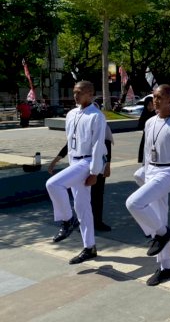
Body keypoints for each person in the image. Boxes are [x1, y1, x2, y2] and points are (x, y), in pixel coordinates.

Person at [126, 85, 170, 286]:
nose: (155, 100)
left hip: (167, 173)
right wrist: (144, 170)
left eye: (160, 97)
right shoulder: (150, 122)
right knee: (160, 217)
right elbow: (147, 151)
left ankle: (160, 233)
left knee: (134, 203)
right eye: (154, 97)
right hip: (151, 170)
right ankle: (166, 267)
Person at [45, 81, 107, 264]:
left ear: (90, 93)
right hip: (75, 163)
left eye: (79, 92)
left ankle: (67, 220)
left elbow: (98, 145)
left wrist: (95, 172)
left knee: (53, 184)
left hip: (88, 162)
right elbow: (70, 143)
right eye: (74, 92)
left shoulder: (97, 116)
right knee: (82, 206)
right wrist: (63, 160)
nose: (75, 95)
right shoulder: (71, 114)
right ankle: (90, 247)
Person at [48, 121, 114, 232]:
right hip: (82, 165)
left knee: (97, 194)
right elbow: (69, 145)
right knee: (82, 197)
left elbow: (106, 144)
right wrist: (55, 161)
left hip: (98, 164)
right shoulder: (78, 124)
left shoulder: (101, 124)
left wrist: (107, 166)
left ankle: (97, 222)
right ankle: (83, 222)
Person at [137, 96, 155, 163]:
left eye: (152, 105)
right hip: (146, 136)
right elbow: (140, 125)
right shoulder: (144, 113)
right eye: (148, 105)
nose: (150, 107)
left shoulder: (156, 114)